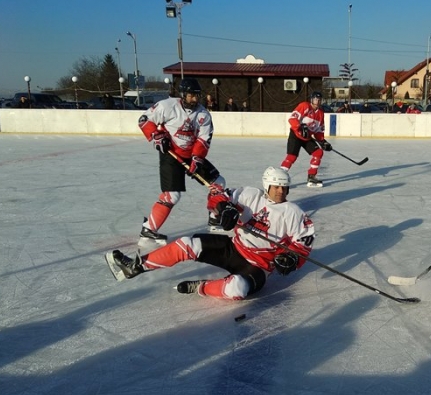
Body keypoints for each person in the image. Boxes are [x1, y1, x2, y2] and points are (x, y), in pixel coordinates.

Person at [105, 166, 315, 301]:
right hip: (233, 249)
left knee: (237, 289)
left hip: (258, 266)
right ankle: (136, 267)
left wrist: (292, 259)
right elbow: (216, 195)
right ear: (266, 185)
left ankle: (201, 287)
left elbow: (302, 244)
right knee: (188, 243)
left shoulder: (294, 213)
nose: (280, 191)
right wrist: (224, 208)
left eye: (284, 187)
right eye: (276, 186)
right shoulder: (249, 195)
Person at [136, 77, 217, 243]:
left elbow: (203, 139)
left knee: (218, 183)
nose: (195, 99)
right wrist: (156, 136)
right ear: (183, 94)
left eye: (197, 95)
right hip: (171, 155)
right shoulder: (168, 106)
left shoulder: (203, 114)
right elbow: (144, 120)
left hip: (192, 155)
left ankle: (215, 218)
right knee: (172, 195)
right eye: (191, 95)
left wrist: (197, 159)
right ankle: (149, 229)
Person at [280, 91, 331, 188]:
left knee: (318, 152)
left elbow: (319, 130)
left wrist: (323, 141)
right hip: (296, 135)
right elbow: (292, 118)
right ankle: (280, 176)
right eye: (316, 99)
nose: (318, 101)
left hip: (307, 137)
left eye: (319, 100)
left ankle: (311, 176)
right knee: (292, 157)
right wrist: (300, 126)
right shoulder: (304, 106)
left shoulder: (320, 113)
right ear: (311, 99)